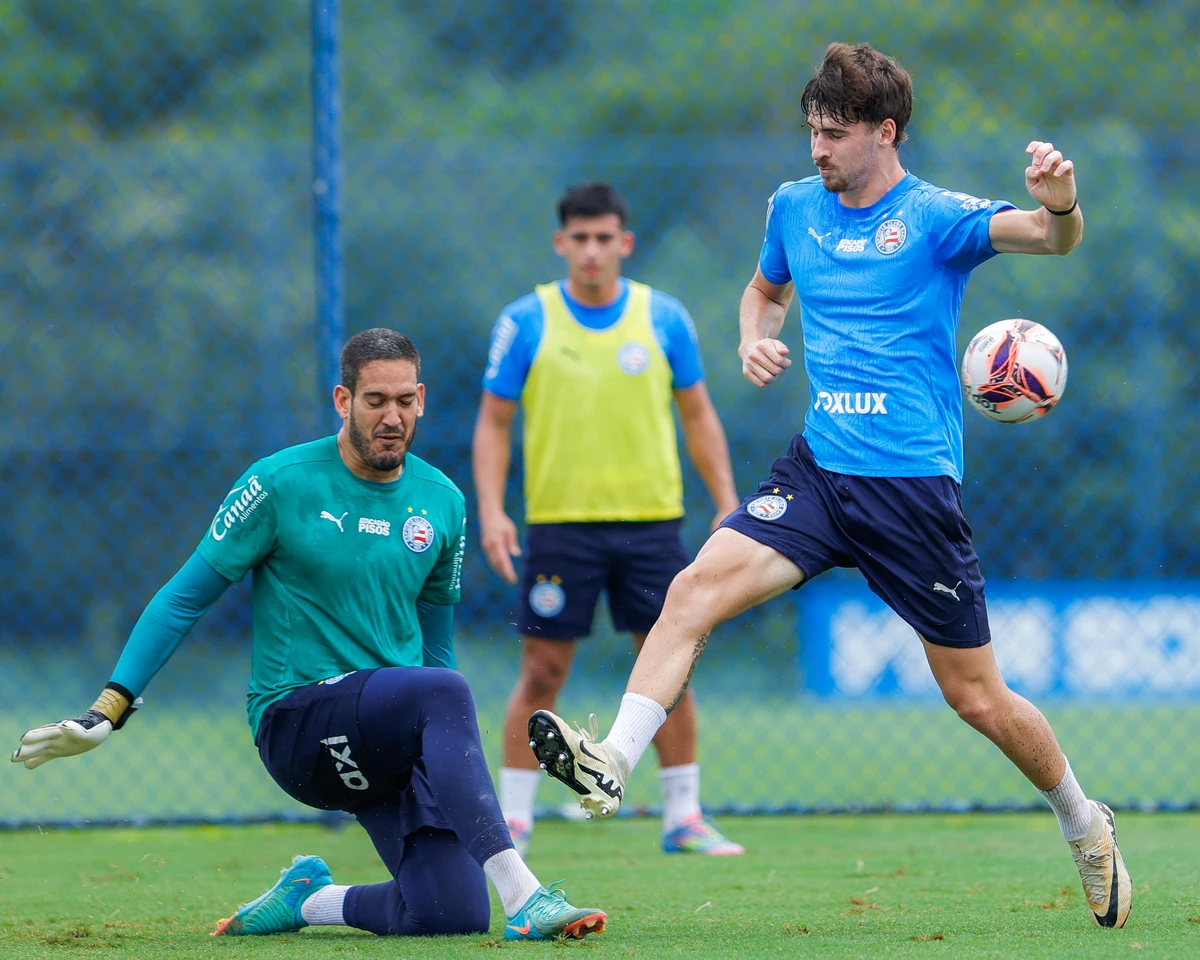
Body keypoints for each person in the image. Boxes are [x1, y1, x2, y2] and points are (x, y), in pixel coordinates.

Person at [527, 43, 1131, 930]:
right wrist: (752, 336)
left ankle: (1083, 819)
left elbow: (1052, 238)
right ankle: (613, 759)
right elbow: (762, 291)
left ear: (885, 132)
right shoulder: (793, 207)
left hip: (912, 491)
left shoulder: (934, 218)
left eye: (835, 133)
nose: (817, 148)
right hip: (816, 473)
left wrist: (1061, 202)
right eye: (812, 129)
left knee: (976, 698)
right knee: (692, 589)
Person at [11, 329, 606, 942]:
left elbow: (434, 653)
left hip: (392, 734)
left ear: (423, 399)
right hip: (298, 725)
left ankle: (312, 898)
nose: (392, 417)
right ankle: (527, 898)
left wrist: (448, 764)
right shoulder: (278, 483)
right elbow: (182, 598)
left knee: (448, 915)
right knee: (443, 692)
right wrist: (109, 706)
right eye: (375, 400)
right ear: (343, 401)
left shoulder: (443, 502)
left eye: (405, 400)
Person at [472, 182, 744, 856]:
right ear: (561, 244)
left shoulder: (664, 318)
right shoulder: (527, 320)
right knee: (540, 673)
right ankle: (513, 821)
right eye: (579, 239)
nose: (592, 252)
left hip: (651, 523)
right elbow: (493, 423)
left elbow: (698, 414)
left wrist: (727, 500)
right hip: (561, 527)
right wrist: (492, 510)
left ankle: (682, 816)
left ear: (624, 244)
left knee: (668, 666)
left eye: (604, 239)